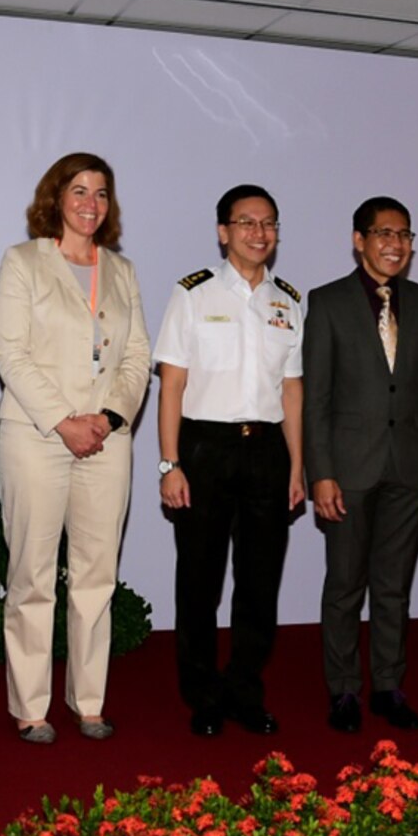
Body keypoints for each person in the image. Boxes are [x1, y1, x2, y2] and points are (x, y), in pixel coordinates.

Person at [0, 153, 150, 744]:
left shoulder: (122, 270)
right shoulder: (23, 261)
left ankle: (89, 702)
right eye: (79, 190)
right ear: (55, 198)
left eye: (102, 193)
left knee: (95, 577)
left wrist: (108, 418)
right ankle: (30, 706)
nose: (91, 203)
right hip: (37, 436)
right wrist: (64, 421)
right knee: (32, 576)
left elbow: (137, 356)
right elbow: (11, 353)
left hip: (108, 439)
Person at [153, 184, 304, 737]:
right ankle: (202, 693)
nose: (259, 233)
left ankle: (245, 687)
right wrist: (170, 464)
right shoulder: (192, 294)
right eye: (246, 223)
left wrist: (297, 467)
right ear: (223, 232)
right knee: (200, 580)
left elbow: (292, 393)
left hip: (267, 449)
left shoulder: (288, 300)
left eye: (269, 223)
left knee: (260, 582)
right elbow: (172, 385)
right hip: (204, 447)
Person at [303, 197, 418, 732]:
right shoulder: (326, 303)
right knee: (345, 584)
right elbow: (315, 397)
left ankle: (389, 685)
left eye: (405, 234)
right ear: (359, 240)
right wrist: (319, 473)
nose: (396, 244)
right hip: (346, 470)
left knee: (393, 586)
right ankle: (343, 689)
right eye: (384, 233)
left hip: (412, 469)